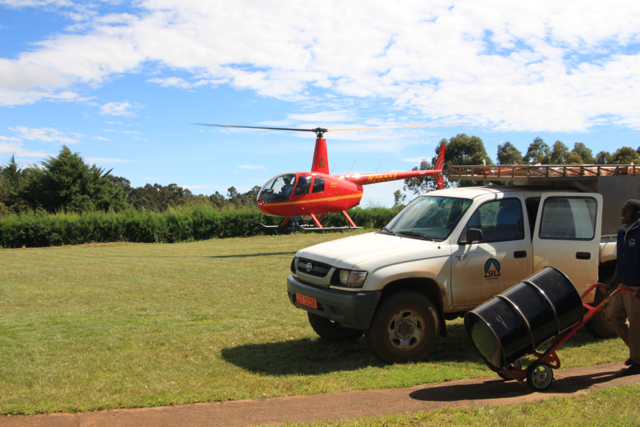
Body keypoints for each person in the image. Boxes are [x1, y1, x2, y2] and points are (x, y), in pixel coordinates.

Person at [607, 199, 640, 376]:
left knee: (636, 324)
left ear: (637, 214)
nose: (622, 213)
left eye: (626, 211)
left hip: (636, 287)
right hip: (622, 285)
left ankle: (638, 360)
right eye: (622, 210)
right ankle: (637, 352)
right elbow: (619, 261)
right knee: (613, 316)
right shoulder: (622, 232)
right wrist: (611, 282)